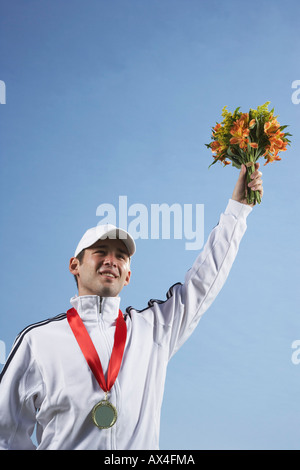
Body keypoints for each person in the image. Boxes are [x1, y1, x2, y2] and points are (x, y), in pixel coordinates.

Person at [0, 164, 263, 450]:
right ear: (74, 265)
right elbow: (5, 431)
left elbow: (203, 283)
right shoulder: (38, 341)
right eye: (100, 252)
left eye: (121, 256)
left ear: (128, 276)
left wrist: (238, 210)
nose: (111, 260)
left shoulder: (153, 329)